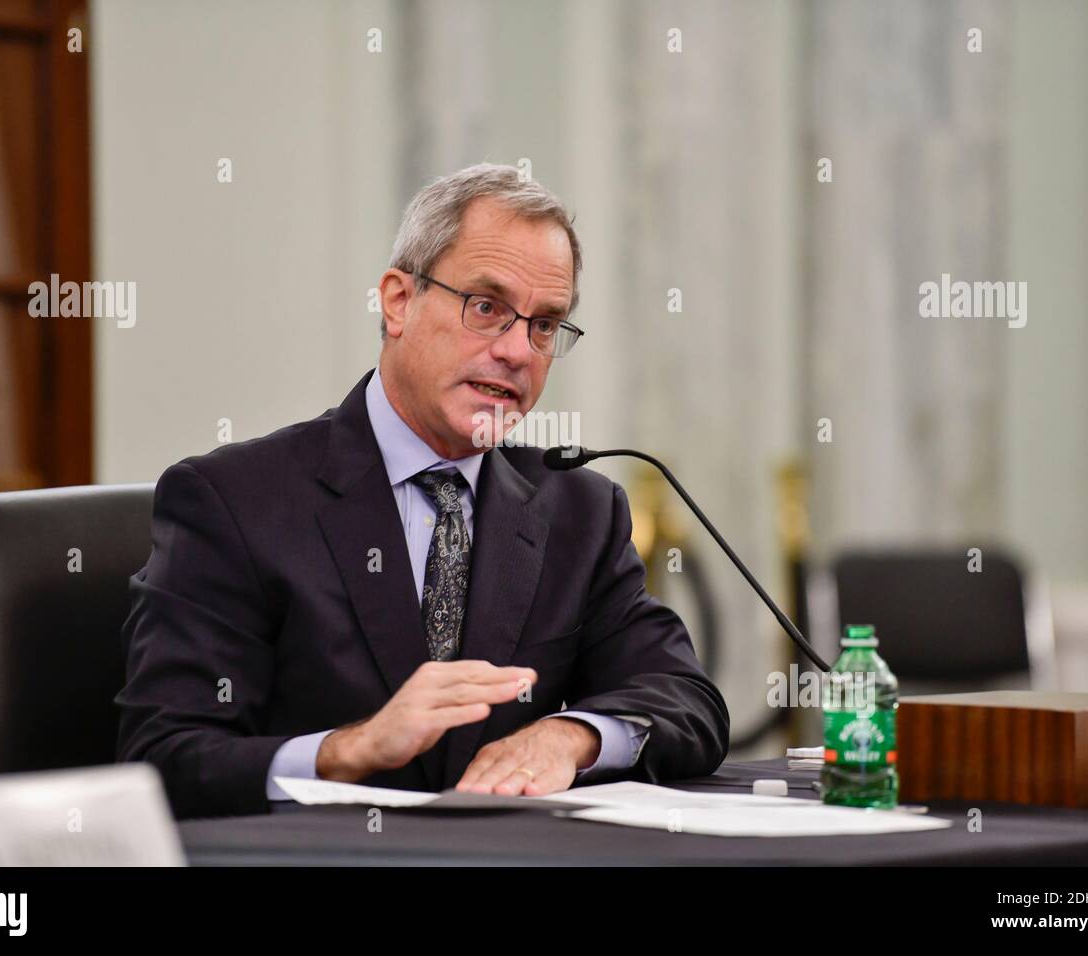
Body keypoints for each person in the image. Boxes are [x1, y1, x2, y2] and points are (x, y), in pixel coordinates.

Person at [116, 163, 730, 819]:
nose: (519, 351)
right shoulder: (234, 502)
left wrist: (572, 736)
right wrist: (346, 750)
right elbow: (164, 756)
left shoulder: (579, 511)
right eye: (488, 308)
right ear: (399, 300)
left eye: (545, 324)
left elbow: (684, 699)